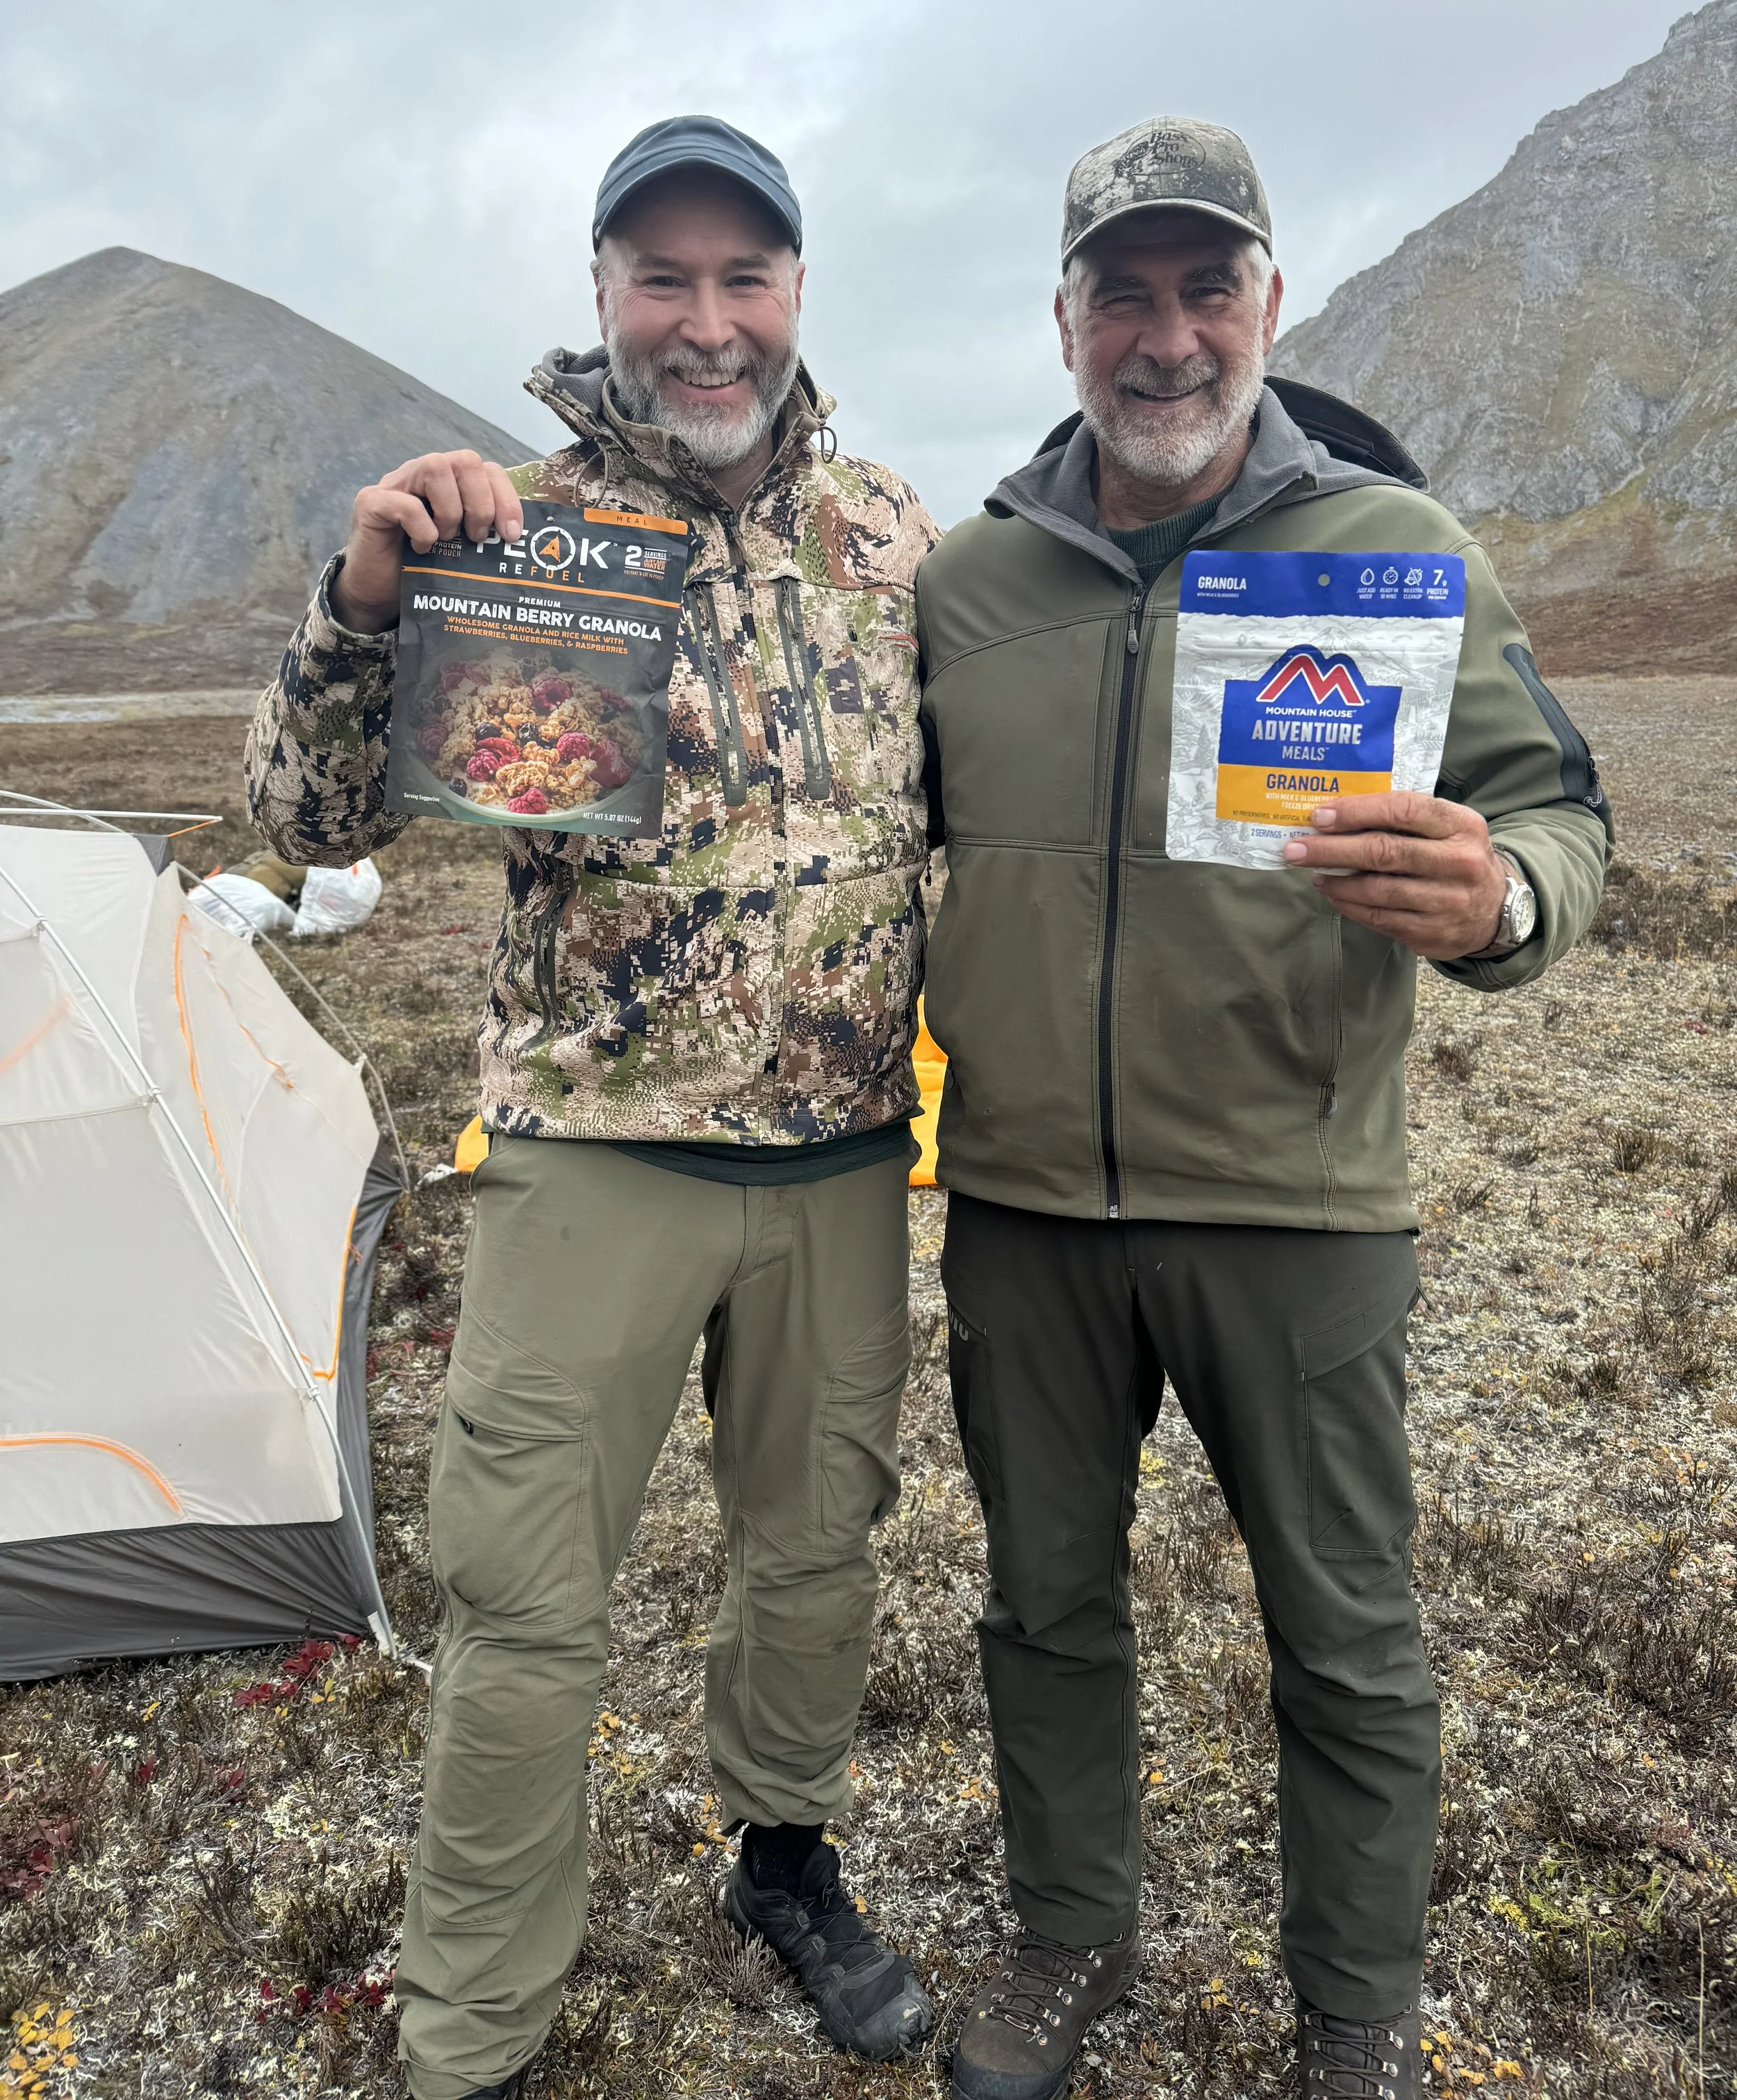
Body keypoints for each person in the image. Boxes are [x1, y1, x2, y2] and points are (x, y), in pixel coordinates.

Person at [914, 117, 1611, 2100]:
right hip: (1027, 1208)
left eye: (1202, 286)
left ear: (1270, 303)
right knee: (1041, 1604)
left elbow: (1561, 811)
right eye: (1118, 293)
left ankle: (1354, 2015)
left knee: (1349, 1635)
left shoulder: (1396, 554)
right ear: (1061, 322)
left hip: (1300, 1206)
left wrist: (1505, 897)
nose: (1163, 336)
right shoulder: (968, 584)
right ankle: (1067, 1939)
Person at [246, 116, 939, 2100]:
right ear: (602, 292)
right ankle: (471, 2026)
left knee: (813, 1554)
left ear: (796, 292)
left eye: (744, 278)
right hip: (587, 1158)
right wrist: (366, 600)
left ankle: (781, 1856)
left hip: (837, 1160)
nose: (704, 323)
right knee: (526, 1593)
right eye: (663, 278)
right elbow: (307, 829)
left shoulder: (896, 543)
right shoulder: (505, 528)